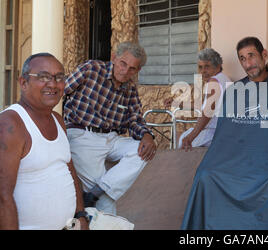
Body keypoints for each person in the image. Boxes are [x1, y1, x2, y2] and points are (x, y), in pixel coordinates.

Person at [181, 37, 268, 230]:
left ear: (264, 55)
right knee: (205, 174)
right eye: (242, 59)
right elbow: (224, 138)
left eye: (251, 56)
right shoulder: (234, 92)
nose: (248, 63)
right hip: (236, 163)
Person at [64, 42, 157, 215]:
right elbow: (60, 91)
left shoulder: (130, 89)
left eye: (132, 68)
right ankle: (98, 193)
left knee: (145, 150)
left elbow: (135, 119)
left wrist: (146, 135)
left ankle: (98, 190)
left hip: (112, 138)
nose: (125, 71)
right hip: (83, 136)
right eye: (123, 63)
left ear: (137, 71)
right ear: (114, 58)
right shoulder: (90, 69)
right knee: (105, 202)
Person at [0, 53, 88, 230]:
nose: (53, 84)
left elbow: (69, 170)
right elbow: (3, 196)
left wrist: (80, 216)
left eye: (59, 77)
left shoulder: (57, 119)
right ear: (24, 83)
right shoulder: (11, 123)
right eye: (44, 77)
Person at [176, 48, 231, 150]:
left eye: (207, 67)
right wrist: (179, 103)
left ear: (217, 66)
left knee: (180, 137)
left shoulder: (214, 82)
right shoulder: (224, 79)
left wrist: (190, 137)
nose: (203, 71)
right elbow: (204, 105)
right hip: (225, 132)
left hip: (214, 133)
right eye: (200, 67)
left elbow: (207, 112)